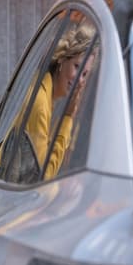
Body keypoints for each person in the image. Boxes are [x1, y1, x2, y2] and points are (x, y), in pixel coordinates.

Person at [26, 20, 96, 180]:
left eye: (85, 74)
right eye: (77, 67)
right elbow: (44, 176)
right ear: (61, 60)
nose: (80, 80)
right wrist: (68, 118)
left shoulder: (44, 90)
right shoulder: (40, 103)